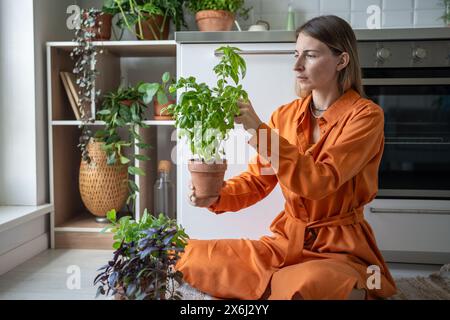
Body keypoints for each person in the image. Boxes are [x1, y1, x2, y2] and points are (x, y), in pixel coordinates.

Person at [176, 15, 397, 300]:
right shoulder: (286, 116)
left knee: (307, 284)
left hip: (339, 250)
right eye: (296, 54)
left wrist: (258, 129)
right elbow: (259, 180)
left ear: (341, 61)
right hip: (285, 242)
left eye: (310, 55)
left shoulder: (365, 117)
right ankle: (280, 281)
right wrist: (216, 196)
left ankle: (344, 285)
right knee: (188, 254)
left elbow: (319, 181)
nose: (296, 66)